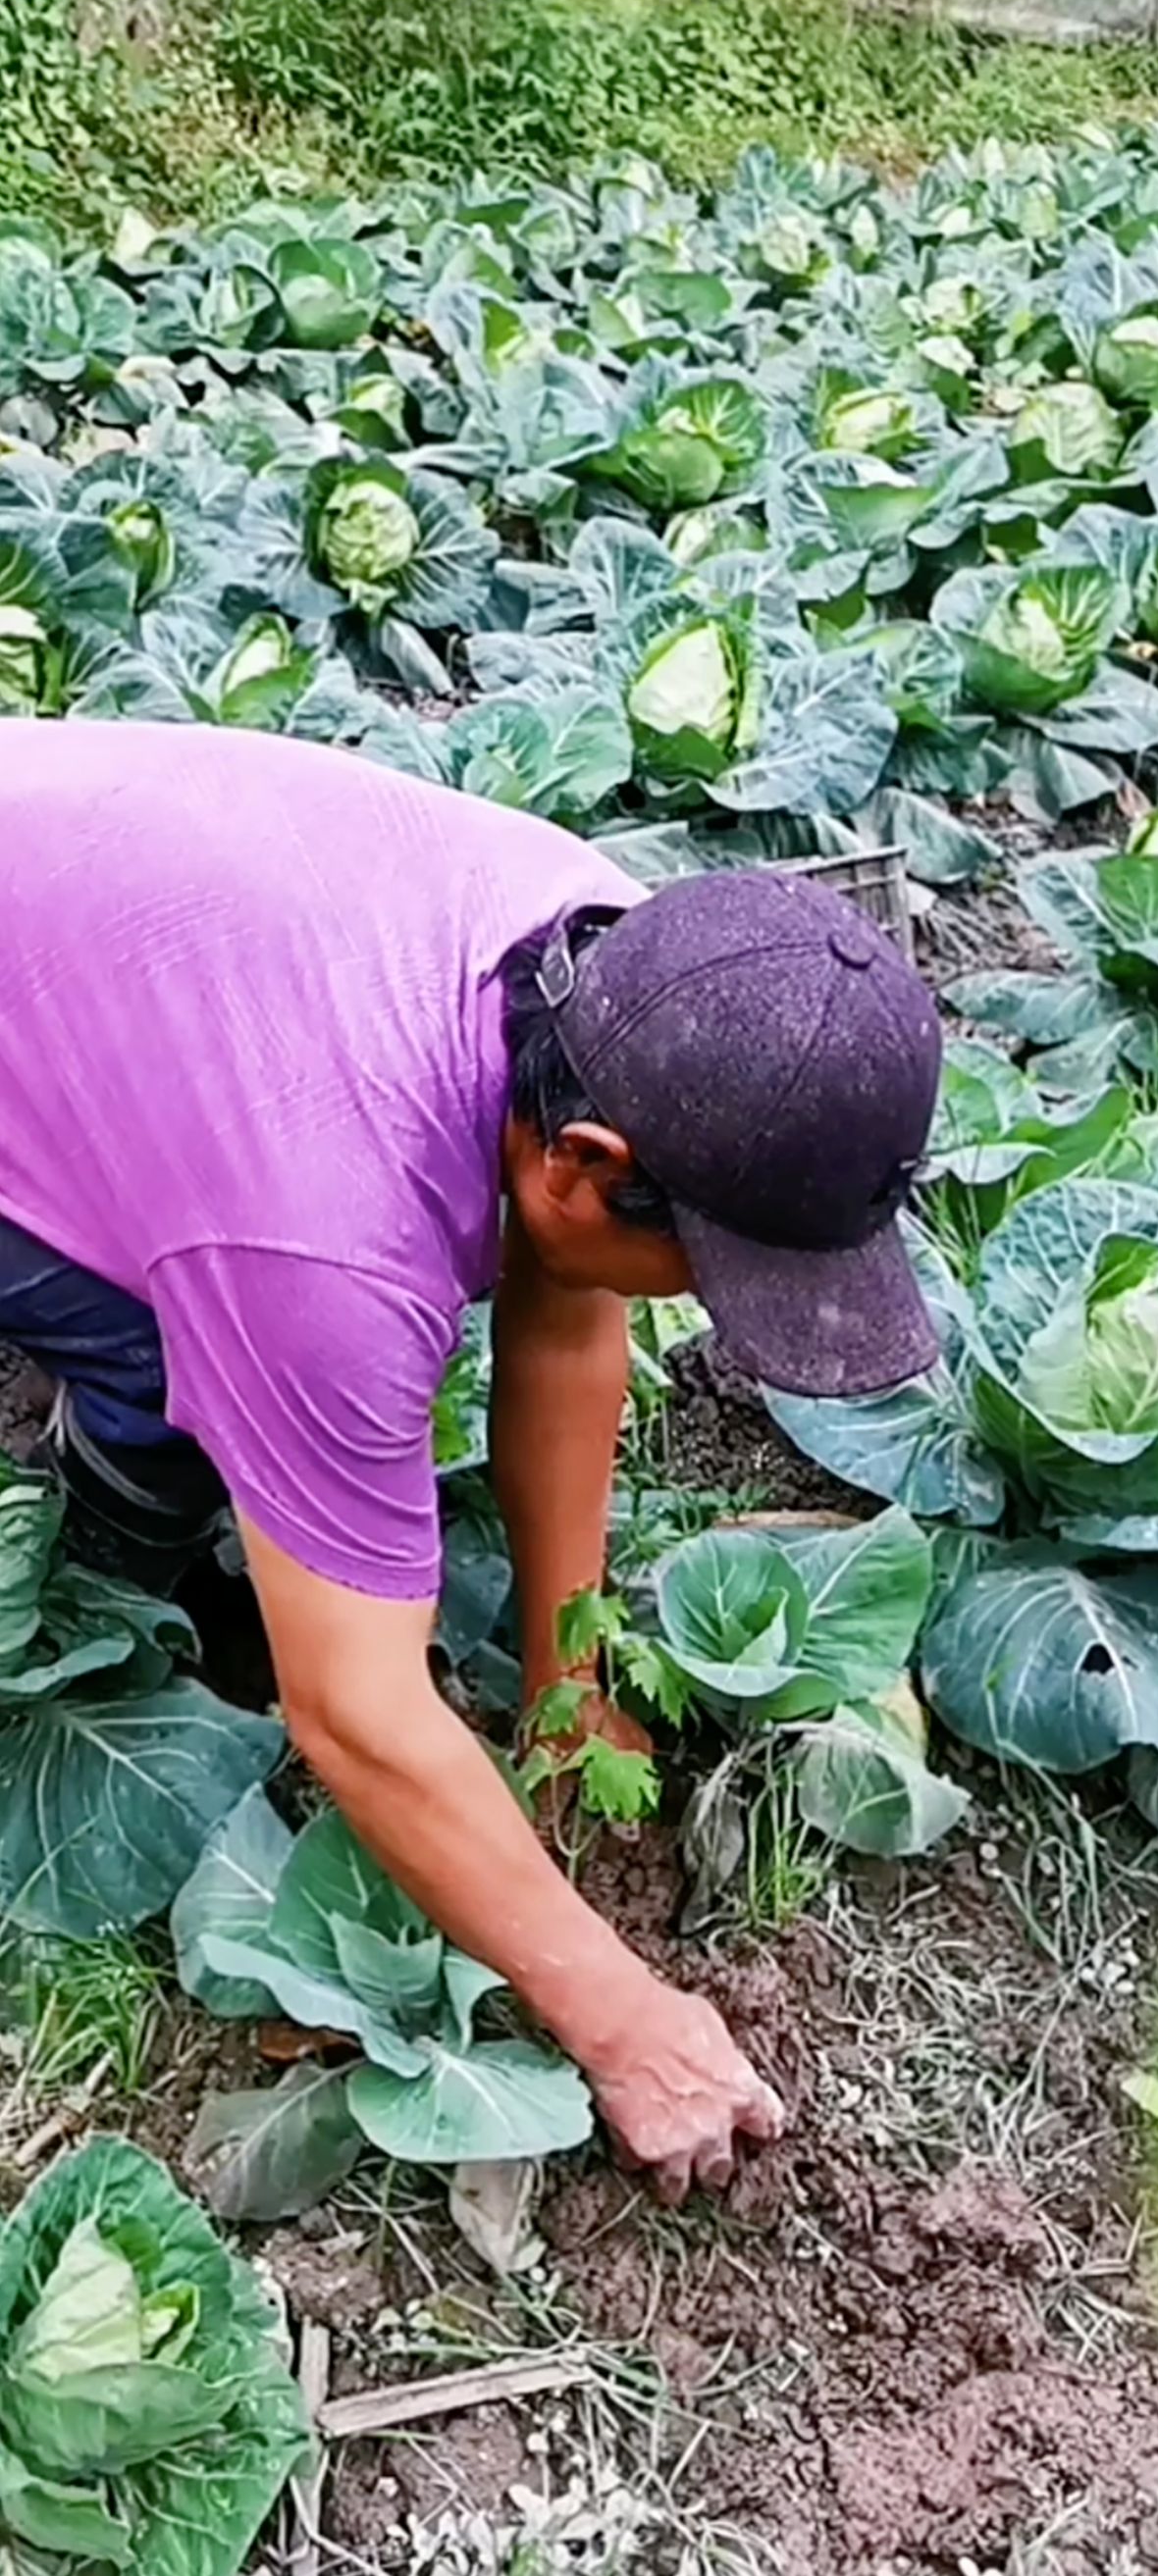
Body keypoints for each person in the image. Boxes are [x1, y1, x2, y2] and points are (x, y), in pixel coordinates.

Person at [0, 722, 947, 2199]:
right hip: (87, 972)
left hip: (83, 898)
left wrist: (569, 1670)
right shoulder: (319, 1247)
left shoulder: (612, 965)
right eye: (699, 1261)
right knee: (163, 1363)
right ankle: (106, 1542)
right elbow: (360, 1717)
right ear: (582, 1162)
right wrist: (624, 2020)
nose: (702, 1297)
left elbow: (565, 1316)